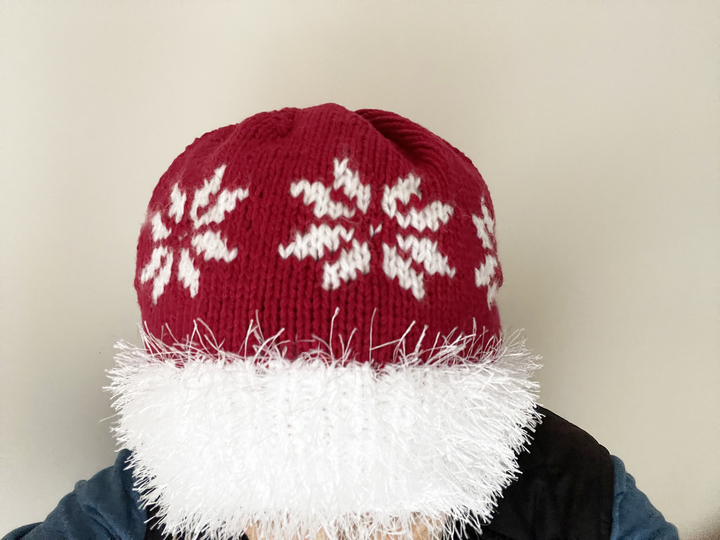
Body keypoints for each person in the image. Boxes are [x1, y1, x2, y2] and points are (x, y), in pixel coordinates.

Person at [3, 104, 677, 540]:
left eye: (382, 501)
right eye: (280, 496)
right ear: (201, 460)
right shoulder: (139, 505)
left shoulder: (575, 495)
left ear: (467, 442)